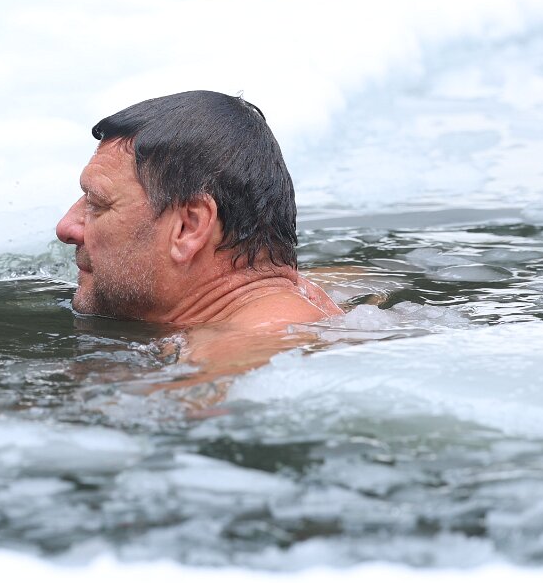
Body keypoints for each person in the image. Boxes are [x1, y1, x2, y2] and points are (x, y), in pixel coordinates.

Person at [56, 91, 341, 372]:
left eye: (98, 204)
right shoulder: (313, 298)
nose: (66, 228)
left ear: (189, 227)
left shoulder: (236, 360)